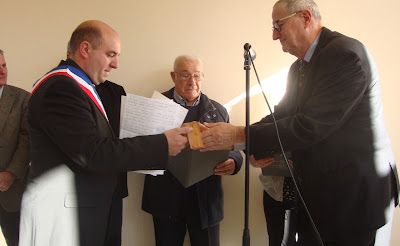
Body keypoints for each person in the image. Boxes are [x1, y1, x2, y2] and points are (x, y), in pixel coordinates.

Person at [201, 0, 400, 245]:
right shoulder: (298, 68)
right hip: (319, 194)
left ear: (305, 17)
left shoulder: (345, 54)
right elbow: (282, 116)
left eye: (278, 25)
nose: (274, 36)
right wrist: (253, 147)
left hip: (353, 197)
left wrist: (238, 135)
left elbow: (311, 126)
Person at [19, 20, 191, 246]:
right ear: (85, 49)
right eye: (111, 54)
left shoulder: (79, 85)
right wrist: (162, 144)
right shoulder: (61, 87)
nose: (116, 64)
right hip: (63, 219)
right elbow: (92, 152)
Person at [141, 55, 243, 246]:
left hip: (205, 200)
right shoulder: (156, 106)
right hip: (166, 199)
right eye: (185, 75)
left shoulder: (218, 110)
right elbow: (142, 145)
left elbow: (233, 148)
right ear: (173, 76)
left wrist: (234, 161)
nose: (192, 82)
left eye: (197, 76)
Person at [68, 41, 128, 246]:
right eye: (110, 55)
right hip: (81, 191)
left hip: (114, 185)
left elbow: (124, 136)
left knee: (112, 239)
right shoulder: (67, 90)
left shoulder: (117, 92)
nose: (115, 64)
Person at [0, 50, 30, 246]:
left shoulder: (22, 99)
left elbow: (27, 139)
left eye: (3, 65)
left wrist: (11, 173)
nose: (2, 71)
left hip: (11, 191)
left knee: (16, 241)